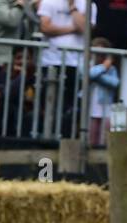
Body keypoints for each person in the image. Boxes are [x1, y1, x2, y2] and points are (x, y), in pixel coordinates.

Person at [38, 0, 94, 139]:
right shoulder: (48, 2)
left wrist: (72, 7)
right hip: (50, 61)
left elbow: (86, 29)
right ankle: (46, 136)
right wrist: (73, 28)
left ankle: (65, 138)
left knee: (70, 107)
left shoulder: (89, 5)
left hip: (76, 64)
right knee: (48, 103)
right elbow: (45, 28)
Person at [87, 36, 119, 145]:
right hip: (90, 106)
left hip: (106, 105)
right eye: (96, 53)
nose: (99, 56)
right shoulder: (88, 65)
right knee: (91, 135)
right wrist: (103, 68)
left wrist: (97, 76)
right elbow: (88, 75)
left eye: (102, 54)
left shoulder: (112, 69)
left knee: (105, 136)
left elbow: (114, 83)